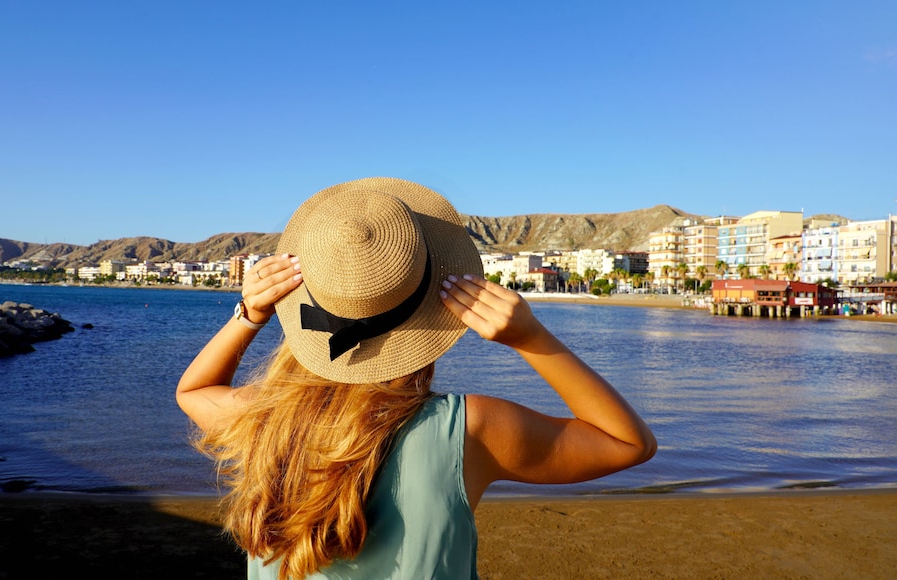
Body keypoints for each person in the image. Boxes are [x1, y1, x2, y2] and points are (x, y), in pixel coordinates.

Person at [177, 177, 656, 579]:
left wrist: (248, 315)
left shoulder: (264, 420)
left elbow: (193, 391)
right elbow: (627, 443)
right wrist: (530, 338)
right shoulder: (469, 430)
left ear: (298, 303)